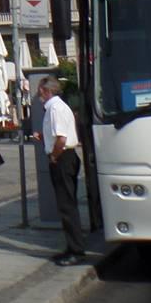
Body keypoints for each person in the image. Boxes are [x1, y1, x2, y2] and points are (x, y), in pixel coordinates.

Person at [35, 75, 86, 265]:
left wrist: (54, 156)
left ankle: (76, 250)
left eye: (40, 92)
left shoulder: (54, 108)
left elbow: (62, 139)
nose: (39, 95)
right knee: (66, 204)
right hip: (67, 156)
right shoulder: (60, 107)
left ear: (46, 91)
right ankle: (71, 247)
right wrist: (44, 137)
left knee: (67, 206)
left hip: (63, 158)